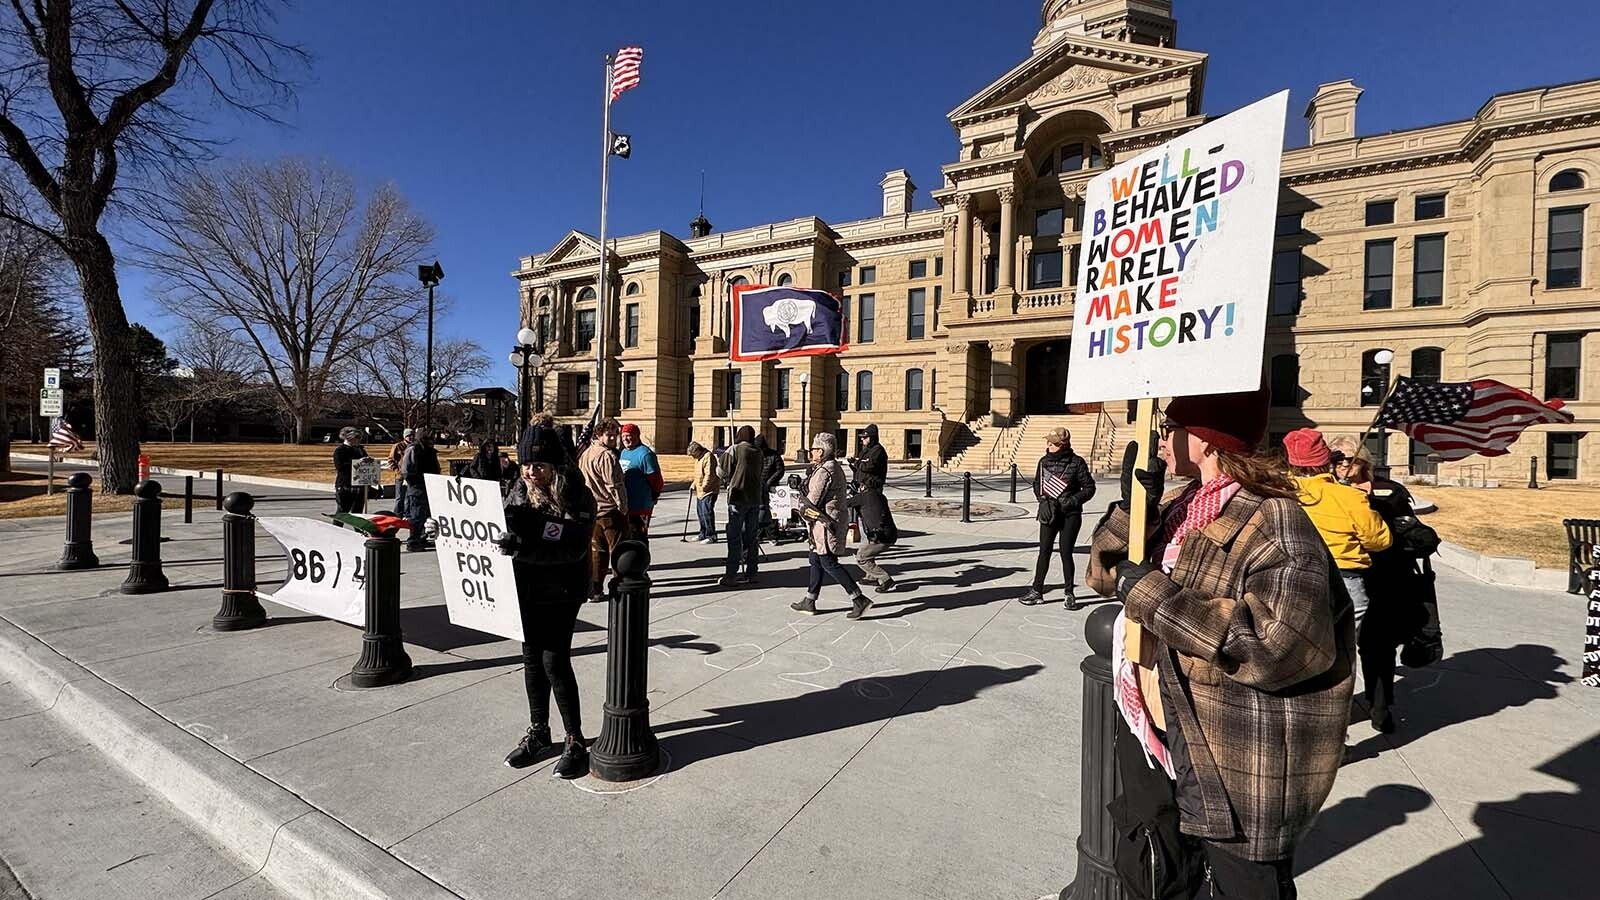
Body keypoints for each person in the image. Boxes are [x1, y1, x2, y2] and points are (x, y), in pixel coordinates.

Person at [1088, 387, 1354, 899]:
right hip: (1155, 731)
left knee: (1237, 886)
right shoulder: (1179, 505)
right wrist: (1131, 510)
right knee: (1155, 867)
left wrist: (1150, 593)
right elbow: (1102, 577)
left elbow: (1278, 645)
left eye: (1169, 428)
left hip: (1229, 750)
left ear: (1207, 440)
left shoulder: (1275, 519)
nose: (1159, 441)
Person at [498, 424, 596, 779]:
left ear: (555, 467)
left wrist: (524, 547)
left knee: (554, 660)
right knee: (531, 660)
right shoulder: (518, 491)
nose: (530, 471)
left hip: (563, 589)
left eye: (538, 465)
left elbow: (573, 548)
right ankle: (539, 730)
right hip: (526, 589)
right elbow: (500, 526)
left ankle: (574, 739)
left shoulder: (577, 496)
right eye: (526, 464)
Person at [1342, 455, 1436, 734]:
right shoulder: (1330, 494)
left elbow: (1412, 531)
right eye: (1336, 460)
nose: (1343, 465)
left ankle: (1380, 706)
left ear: (1364, 462)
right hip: (1348, 579)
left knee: (1378, 648)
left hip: (1387, 580)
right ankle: (1340, 709)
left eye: (1349, 459)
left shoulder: (1390, 491)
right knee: (1342, 650)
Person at [1284, 427, 1392, 642]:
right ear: (1326, 461)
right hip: (1343, 579)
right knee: (1339, 651)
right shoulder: (1349, 496)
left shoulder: (1279, 492)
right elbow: (1380, 540)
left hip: (1290, 577)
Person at [791, 432, 872, 619]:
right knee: (815, 560)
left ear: (822, 450)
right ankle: (810, 600)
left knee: (828, 562)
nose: (811, 452)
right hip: (820, 524)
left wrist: (800, 501)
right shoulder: (825, 467)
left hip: (826, 523)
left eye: (814, 449)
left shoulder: (826, 470)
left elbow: (813, 500)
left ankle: (858, 598)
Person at [1021, 428, 1096, 609]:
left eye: (1052, 443)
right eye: (1048, 441)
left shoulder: (1077, 462)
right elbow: (1037, 484)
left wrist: (1072, 500)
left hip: (1070, 514)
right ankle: (1037, 590)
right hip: (1050, 512)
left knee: (1065, 552)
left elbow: (1089, 488)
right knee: (1044, 551)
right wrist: (1042, 501)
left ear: (1063, 444)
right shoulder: (1044, 462)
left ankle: (1069, 593)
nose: (1048, 445)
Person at [578, 417, 628, 601]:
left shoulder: (586, 453)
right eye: (609, 435)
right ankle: (621, 585)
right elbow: (614, 485)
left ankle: (595, 590)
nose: (613, 439)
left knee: (597, 551)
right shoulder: (606, 456)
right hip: (609, 510)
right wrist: (623, 507)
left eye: (616, 435)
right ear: (599, 434)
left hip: (593, 510)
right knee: (619, 550)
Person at [719, 426, 764, 586]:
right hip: (754, 498)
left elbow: (721, 471)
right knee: (752, 538)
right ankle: (753, 573)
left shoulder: (735, 449)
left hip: (738, 498)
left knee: (734, 537)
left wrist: (730, 474)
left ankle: (731, 575)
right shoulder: (758, 452)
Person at [847, 467, 898, 592]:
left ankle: (885, 579)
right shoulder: (880, 496)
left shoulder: (865, 496)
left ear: (864, 486)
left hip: (880, 537)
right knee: (866, 549)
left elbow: (845, 503)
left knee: (861, 557)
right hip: (888, 533)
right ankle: (871, 576)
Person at [619, 423, 664, 540]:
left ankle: (641, 557)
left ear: (637, 436)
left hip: (641, 505)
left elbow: (656, 479)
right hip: (626, 504)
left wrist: (654, 494)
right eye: (623, 436)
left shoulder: (645, 454)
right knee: (627, 537)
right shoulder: (623, 452)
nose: (625, 439)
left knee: (639, 536)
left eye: (629, 435)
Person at [401, 432, 440, 551]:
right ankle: (413, 541)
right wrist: (415, 483)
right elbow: (407, 470)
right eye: (429, 438)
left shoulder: (430, 450)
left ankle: (422, 538)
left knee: (426, 515)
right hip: (417, 487)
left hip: (429, 485)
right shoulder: (414, 449)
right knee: (416, 515)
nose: (431, 441)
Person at [332, 426, 369, 515]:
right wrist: (357, 463)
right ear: (349, 438)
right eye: (357, 437)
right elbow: (340, 467)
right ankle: (337, 529)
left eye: (360, 437)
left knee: (358, 513)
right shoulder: (340, 450)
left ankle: (357, 529)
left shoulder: (360, 450)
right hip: (346, 486)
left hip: (360, 485)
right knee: (342, 513)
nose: (359, 440)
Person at [688, 441, 720, 543]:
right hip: (700, 491)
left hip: (709, 491)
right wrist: (694, 485)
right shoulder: (698, 458)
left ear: (698, 450)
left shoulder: (708, 457)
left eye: (693, 454)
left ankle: (711, 535)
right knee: (700, 513)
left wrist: (704, 487)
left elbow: (709, 474)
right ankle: (703, 533)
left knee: (707, 513)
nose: (692, 457)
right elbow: (698, 475)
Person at [757, 434, 786, 538]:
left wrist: (769, 482)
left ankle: (772, 533)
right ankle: (759, 532)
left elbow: (780, 470)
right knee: (759, 510)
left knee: (773, 510)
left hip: (771, 486)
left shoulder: (773, 455)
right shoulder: (755, 455)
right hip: (758, 486)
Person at [386, 428, 413, 511]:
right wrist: (398, 471)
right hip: (400, 477)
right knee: (399, 498)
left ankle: (407, 515)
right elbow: (390, 460)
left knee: (409, 498)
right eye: (409, 436)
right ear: (404, 437)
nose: (411, 437)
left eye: (412, 436)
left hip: (411, 476)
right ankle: (397, 515)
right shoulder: (398, 446)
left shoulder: (414, 446)